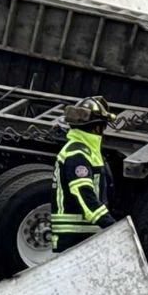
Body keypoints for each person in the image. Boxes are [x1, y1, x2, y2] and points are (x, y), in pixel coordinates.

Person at [51, 96, 118, 253]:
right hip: (74, 237)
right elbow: (84, 195)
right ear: (96, 128)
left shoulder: (87, 151)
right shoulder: (77, 155)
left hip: (84, 235)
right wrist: (111, 226)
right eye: (103, 126)